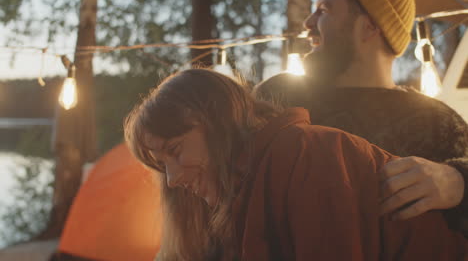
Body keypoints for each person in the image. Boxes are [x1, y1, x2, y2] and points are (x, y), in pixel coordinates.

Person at [125, 68, 467, 261]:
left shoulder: (306, 153)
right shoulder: (241, 189)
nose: (171, 179)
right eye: (161, 164)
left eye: (175, 150)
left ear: (215, 120)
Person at [254, 0, 468, 234]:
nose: (308, 23)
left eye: (324, 10)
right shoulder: (277, 96)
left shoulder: (438, 123)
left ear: (370, 27)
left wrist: (458, 181)